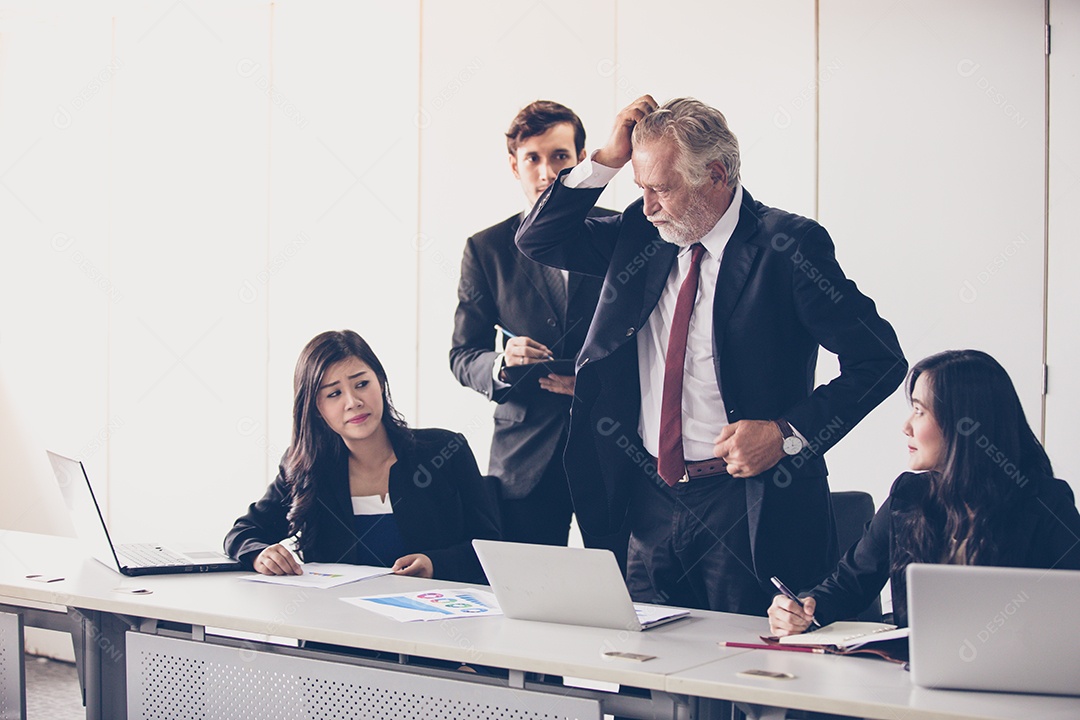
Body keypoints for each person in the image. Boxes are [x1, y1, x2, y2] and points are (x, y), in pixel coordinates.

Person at [516, 95, 906, 615]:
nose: (648, 205)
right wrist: (606, 158)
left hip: (748, 505)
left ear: (716, 175)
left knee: (746, 660)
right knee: (648, 659)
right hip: (649, 499)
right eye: (640, 187)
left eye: (661, 189)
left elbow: (879, 361)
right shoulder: (641, 234)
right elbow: (539, 239)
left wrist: (787, 435)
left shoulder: (789, 246)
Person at [769, 350, 1080, 634]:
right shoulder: (908, 496)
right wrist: (801, 609)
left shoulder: (1045, 502)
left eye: (919, 411)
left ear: (964, 424)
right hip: (913, 671)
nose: (906, 426)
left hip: (1017, 672)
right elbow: (847, 587)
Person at [450, 100, 628, 570]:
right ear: (514, 165)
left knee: (629, 587)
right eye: (533, 158)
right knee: (529, 592)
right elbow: (462, 354)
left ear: (582, 158)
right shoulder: (485, 249)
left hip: (612, 447)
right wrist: (502, 362)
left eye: (560, 157)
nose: (547, 172)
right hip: (524, 457)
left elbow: (651, 340)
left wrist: (598, 386)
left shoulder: (621, 233)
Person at [226, 330, 501, 585]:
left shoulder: (446, 450)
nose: (353, 402)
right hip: (337, 618)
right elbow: (243, 533)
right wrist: (260, 555)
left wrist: (435, 564)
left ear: (380, 382)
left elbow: (491, 547)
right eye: (334, 393)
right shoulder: (306, 467)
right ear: (316, 408)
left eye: (361, 384)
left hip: (436, 614)